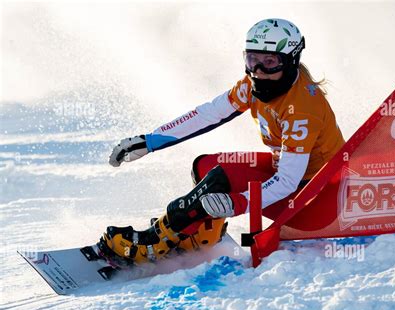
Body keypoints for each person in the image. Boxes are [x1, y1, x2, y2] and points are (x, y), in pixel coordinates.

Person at [100, 18, 345, 264]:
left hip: (314, 203)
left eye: (269, 62)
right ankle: (199, 237)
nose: (258, 70)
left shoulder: (301, 109)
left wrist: (238, 202)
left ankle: (155, 243)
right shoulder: (254, 84)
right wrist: (151, 141)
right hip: (294, 179)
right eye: (252, 59)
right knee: (205, 166)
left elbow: (288, 180)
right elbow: (210, 113)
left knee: (220, 179)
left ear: (291, 60)